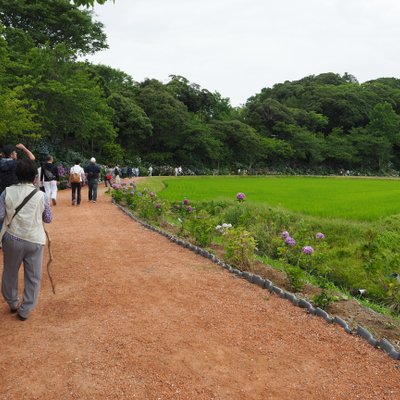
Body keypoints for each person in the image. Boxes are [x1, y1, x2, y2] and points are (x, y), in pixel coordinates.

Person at [0, 159, 52, 321]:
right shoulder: (41, 195)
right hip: (35, 240)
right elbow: (48, 218)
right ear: (35, 178)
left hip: (12, 238)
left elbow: (1, 216)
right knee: (33, 276)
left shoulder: (6, 192)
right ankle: (25, 310)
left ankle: (13, 302)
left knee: (10, 271)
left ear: (16, 175)